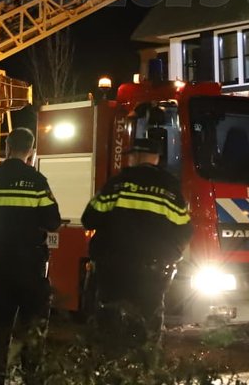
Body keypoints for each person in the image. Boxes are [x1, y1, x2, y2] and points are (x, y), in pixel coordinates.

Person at [0, 127, 62, 385]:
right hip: (31, 265)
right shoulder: (36, 182)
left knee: (0, 328)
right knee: (33, 327)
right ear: (30, 151)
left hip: (0, 264)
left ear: (7, 148)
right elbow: (53, 221)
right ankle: (32, 377)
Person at [81, 134, 192, 351]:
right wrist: (170, 256)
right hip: (152, 273)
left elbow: (89, 219)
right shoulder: (171, 191)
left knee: (109, 327)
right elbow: (185, 230)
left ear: (137, 156)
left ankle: (108, 371)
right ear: (156, 159)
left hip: (113, 270)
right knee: (148, 331)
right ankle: (145, 373)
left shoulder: (116, 184)